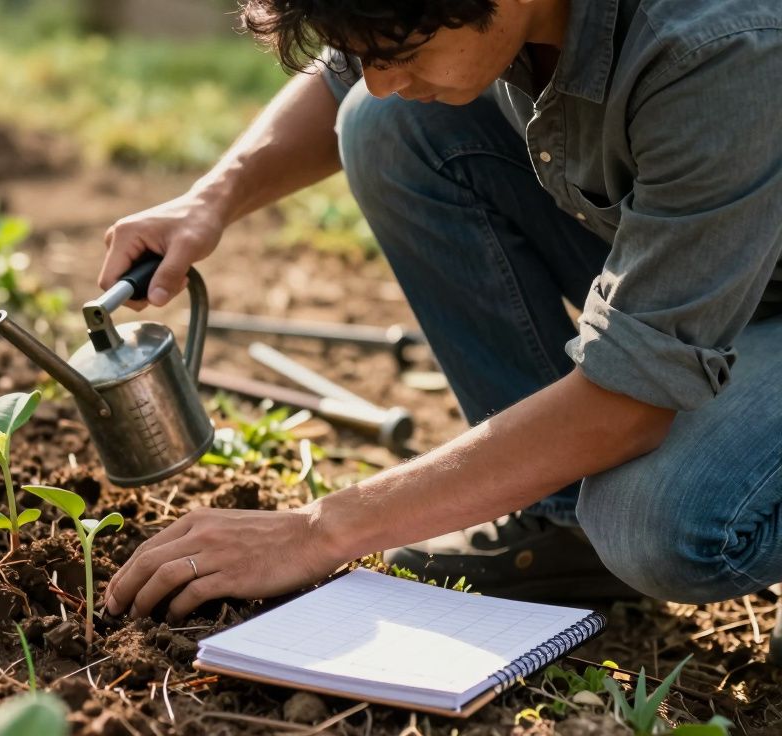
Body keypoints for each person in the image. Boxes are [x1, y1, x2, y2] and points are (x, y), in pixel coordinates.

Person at [97, 0, 782, 629]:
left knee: (654, 522)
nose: (382, 76)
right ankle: (564, 533)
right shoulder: (448, 13)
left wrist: (319, 529)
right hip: (702, 257)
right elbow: (356, 69)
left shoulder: (721, 48)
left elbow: (628, 404)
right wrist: (211, 198)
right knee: (385, 122)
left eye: (400, 53)